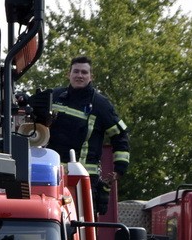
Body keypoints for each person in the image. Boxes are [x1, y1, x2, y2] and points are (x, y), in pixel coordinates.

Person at [46, 56, 130, 215]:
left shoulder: (100, 104)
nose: (79, 75)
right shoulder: (54, 96)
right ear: (68, 74)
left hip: (83, 178)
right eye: (76, 71)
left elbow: (120, 135)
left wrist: (119, 169)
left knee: (80, 225)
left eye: (84, 72)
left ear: (91, 77)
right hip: (52, 174)